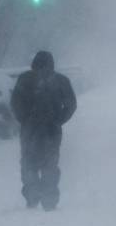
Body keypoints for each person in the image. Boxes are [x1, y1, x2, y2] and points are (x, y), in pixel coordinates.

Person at [10, 51, 77, 211]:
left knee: (28, 162)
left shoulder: (24, 79)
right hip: (52, 130)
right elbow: (71, 105)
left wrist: (24, 119)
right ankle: (49, 199)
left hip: (29, 130)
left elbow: (15, 103)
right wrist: (59, 119)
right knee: (50, 163)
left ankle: (32, 196)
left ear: (34, 63)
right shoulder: (61, 81)